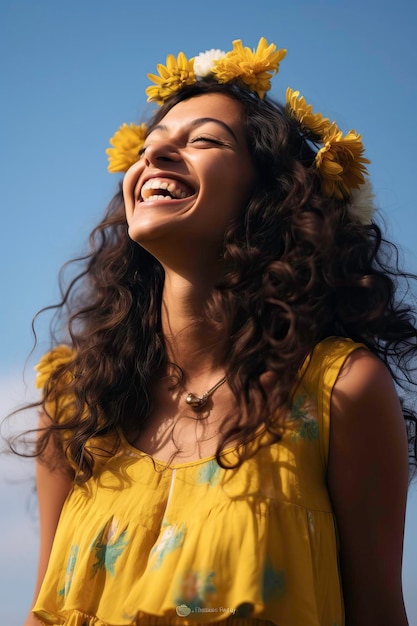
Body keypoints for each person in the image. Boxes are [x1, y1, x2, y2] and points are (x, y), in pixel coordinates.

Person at [17, 37, 416, 626]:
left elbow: (379, 612)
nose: (156, 157)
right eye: (150, 147)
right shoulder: (78, 406)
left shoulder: (340, 392)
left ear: (273, 195)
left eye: (202, 140)